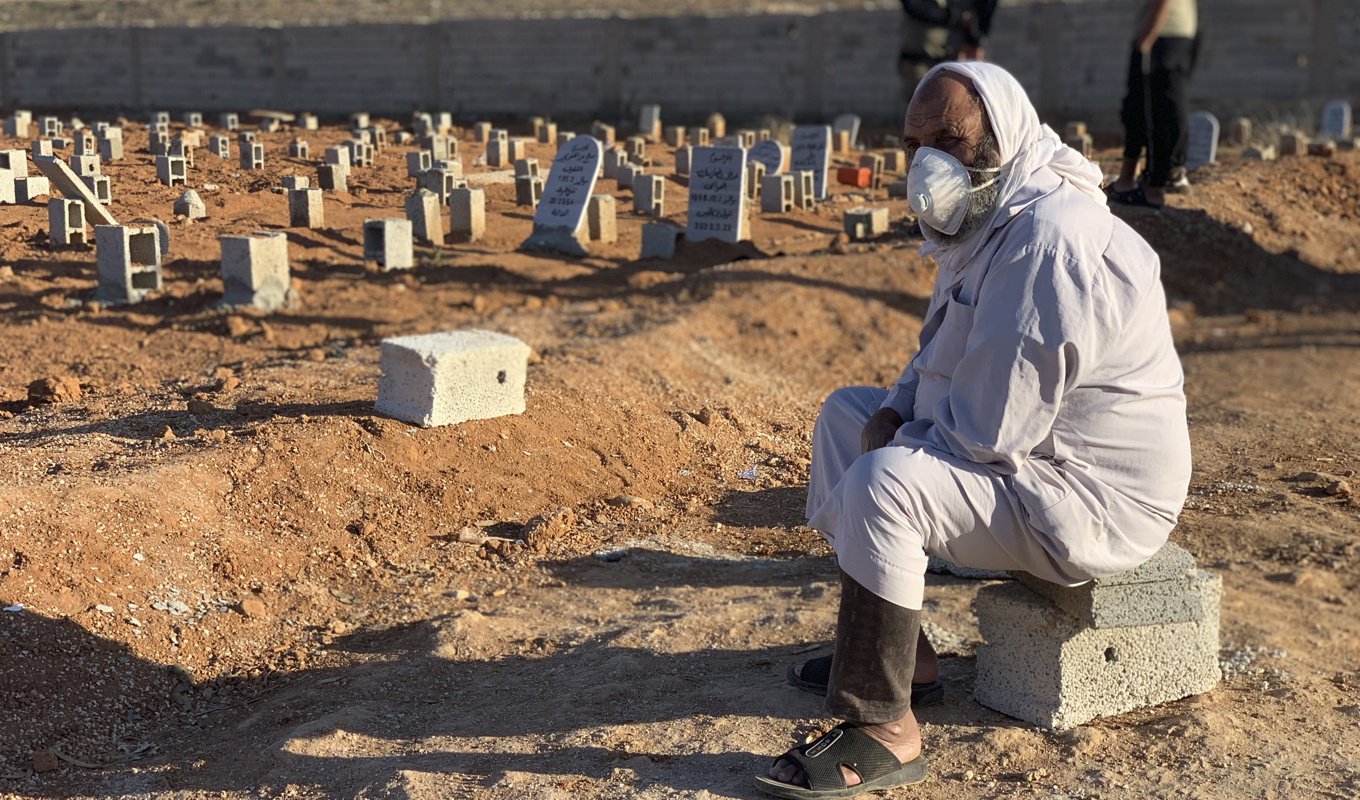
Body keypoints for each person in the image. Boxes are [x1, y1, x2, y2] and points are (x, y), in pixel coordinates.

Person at [753, 61, 1192, 799]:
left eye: (950, 139)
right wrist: (892, 412)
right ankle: (901, 659)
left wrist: (894, 450)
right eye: (916, 143)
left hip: (1092, 495)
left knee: (885, 482)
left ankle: (884, 728)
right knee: (845, 420)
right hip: (1032, 455)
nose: (930, 161)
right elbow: (938, 355)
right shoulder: (988, 222)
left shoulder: (1050, 240)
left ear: (1003, 135)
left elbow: (989, 430)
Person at [1108, 0, 1200, 208]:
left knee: (1157, 110)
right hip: (1166, 32)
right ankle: (1127, 181)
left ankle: (1155, 188)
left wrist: (1146, 38)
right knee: (1138, 107)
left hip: (1163, 33)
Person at [899, 0, 998, 101]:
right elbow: (916, 6)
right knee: (931, 105)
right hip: (921, 59)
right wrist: (958, 17)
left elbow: (986, 8)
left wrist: (974, 39)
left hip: (963, 60)